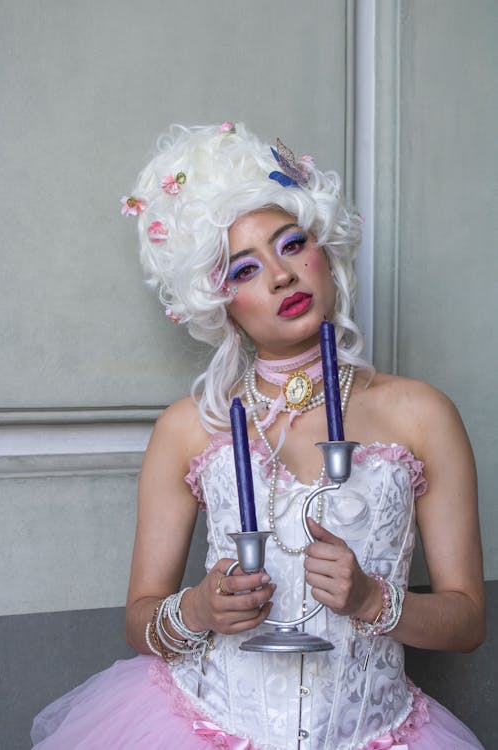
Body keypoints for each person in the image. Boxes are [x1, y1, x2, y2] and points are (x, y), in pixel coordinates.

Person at [31, 122, 486, 749]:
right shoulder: (188, 428)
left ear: (324, 249)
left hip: (374, 729)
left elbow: (467, 623)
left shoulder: (422, 414)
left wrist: (375, 600)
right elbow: (141, 620)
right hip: (205, 725)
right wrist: (196, 611)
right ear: (219, 303)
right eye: (245, 269)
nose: (280, 276)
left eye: (292, 244)